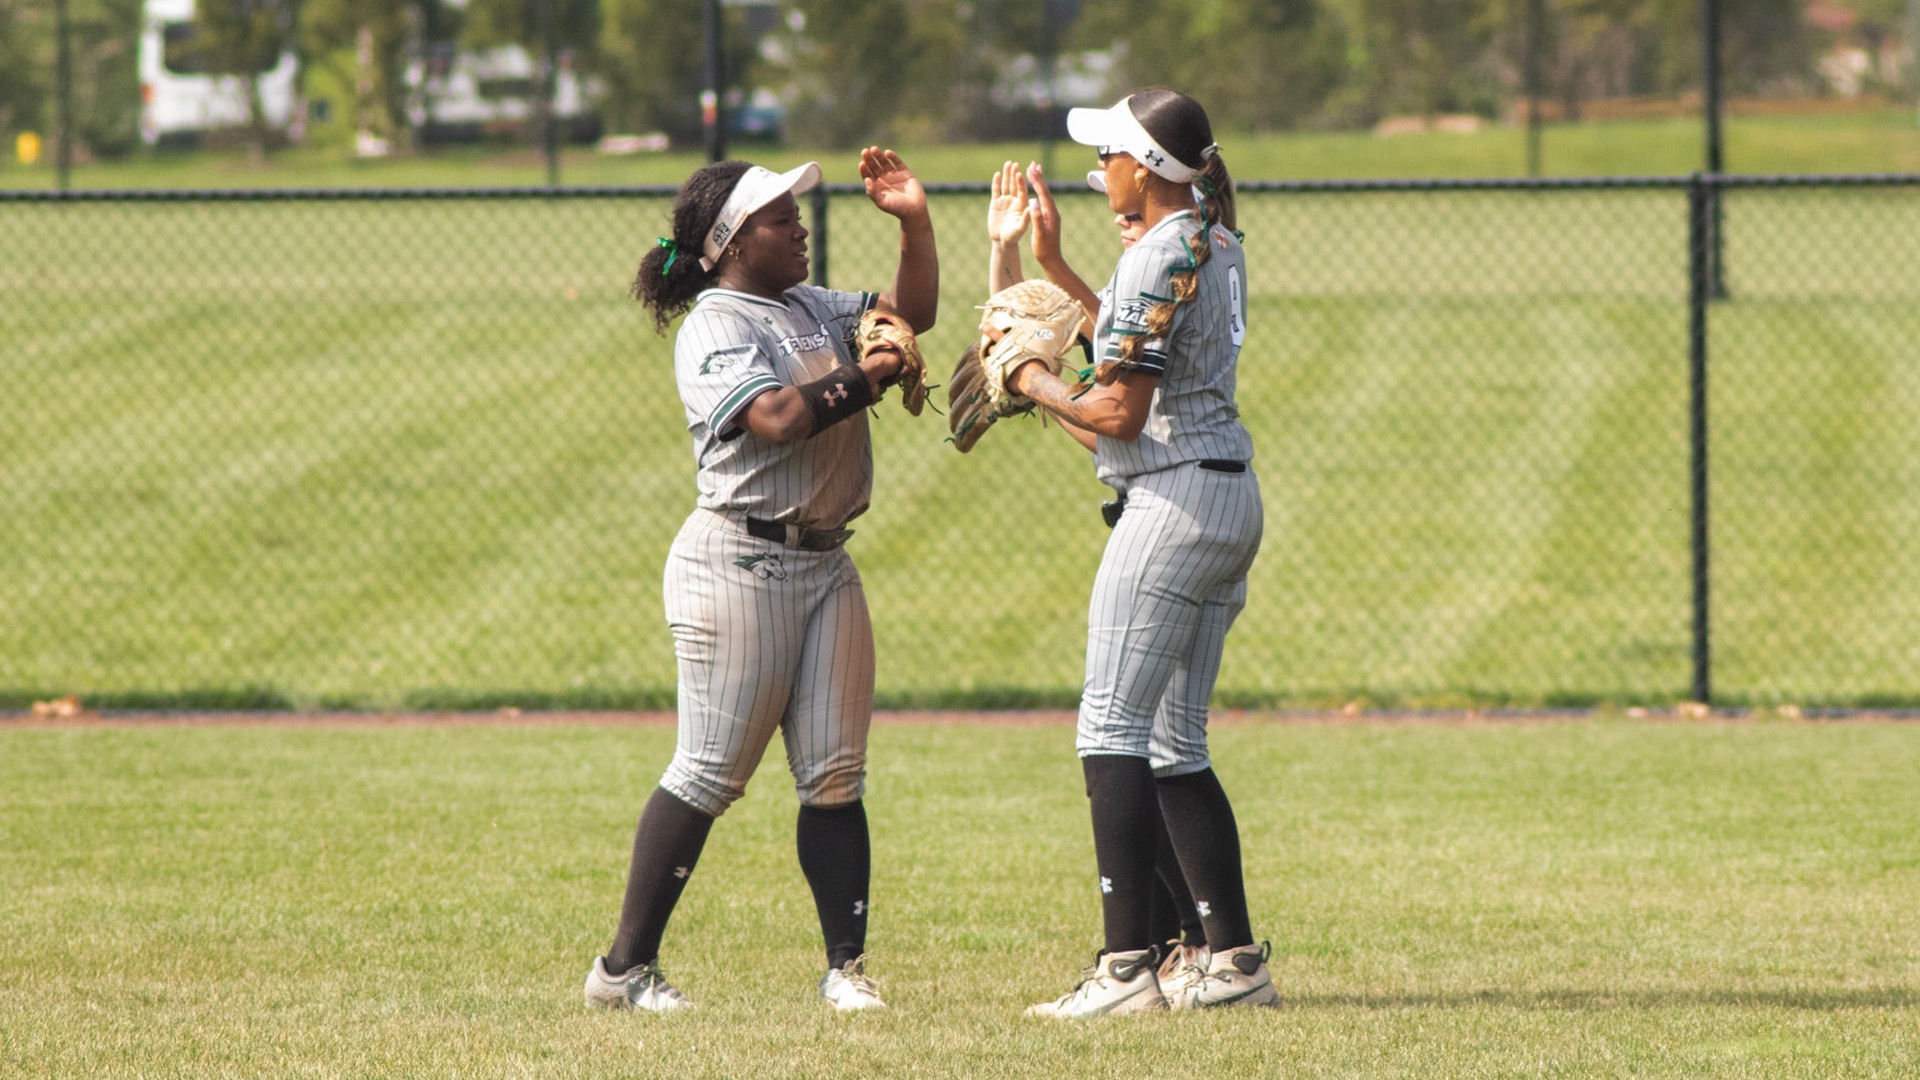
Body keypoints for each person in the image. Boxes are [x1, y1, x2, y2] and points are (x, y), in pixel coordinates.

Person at [583, 148, 938, 1013]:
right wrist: (871, 374)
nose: (800, 228)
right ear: (734, 242)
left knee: (836, 774)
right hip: (738, 563)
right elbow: (776, 418)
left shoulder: (810, 307)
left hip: (826, 563)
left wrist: (914, 224)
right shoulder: (715, 324)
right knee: (710, 772)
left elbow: (910, 316)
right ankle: (622, 971)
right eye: (782, 218)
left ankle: (845, 970)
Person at [983, 89, 1277, 1017]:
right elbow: (1131, 346)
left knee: (1110, 731)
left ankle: (1124, 973)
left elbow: (1117, 410)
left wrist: (1030, 378)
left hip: (1174, 502)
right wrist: (1054, 268)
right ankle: (1232, 964)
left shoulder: (1160, 251)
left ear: (1145, 169)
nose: (1097, 167)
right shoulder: (1212, 237)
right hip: (1224, 493)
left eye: (1108, 152)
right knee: (1172, 741)